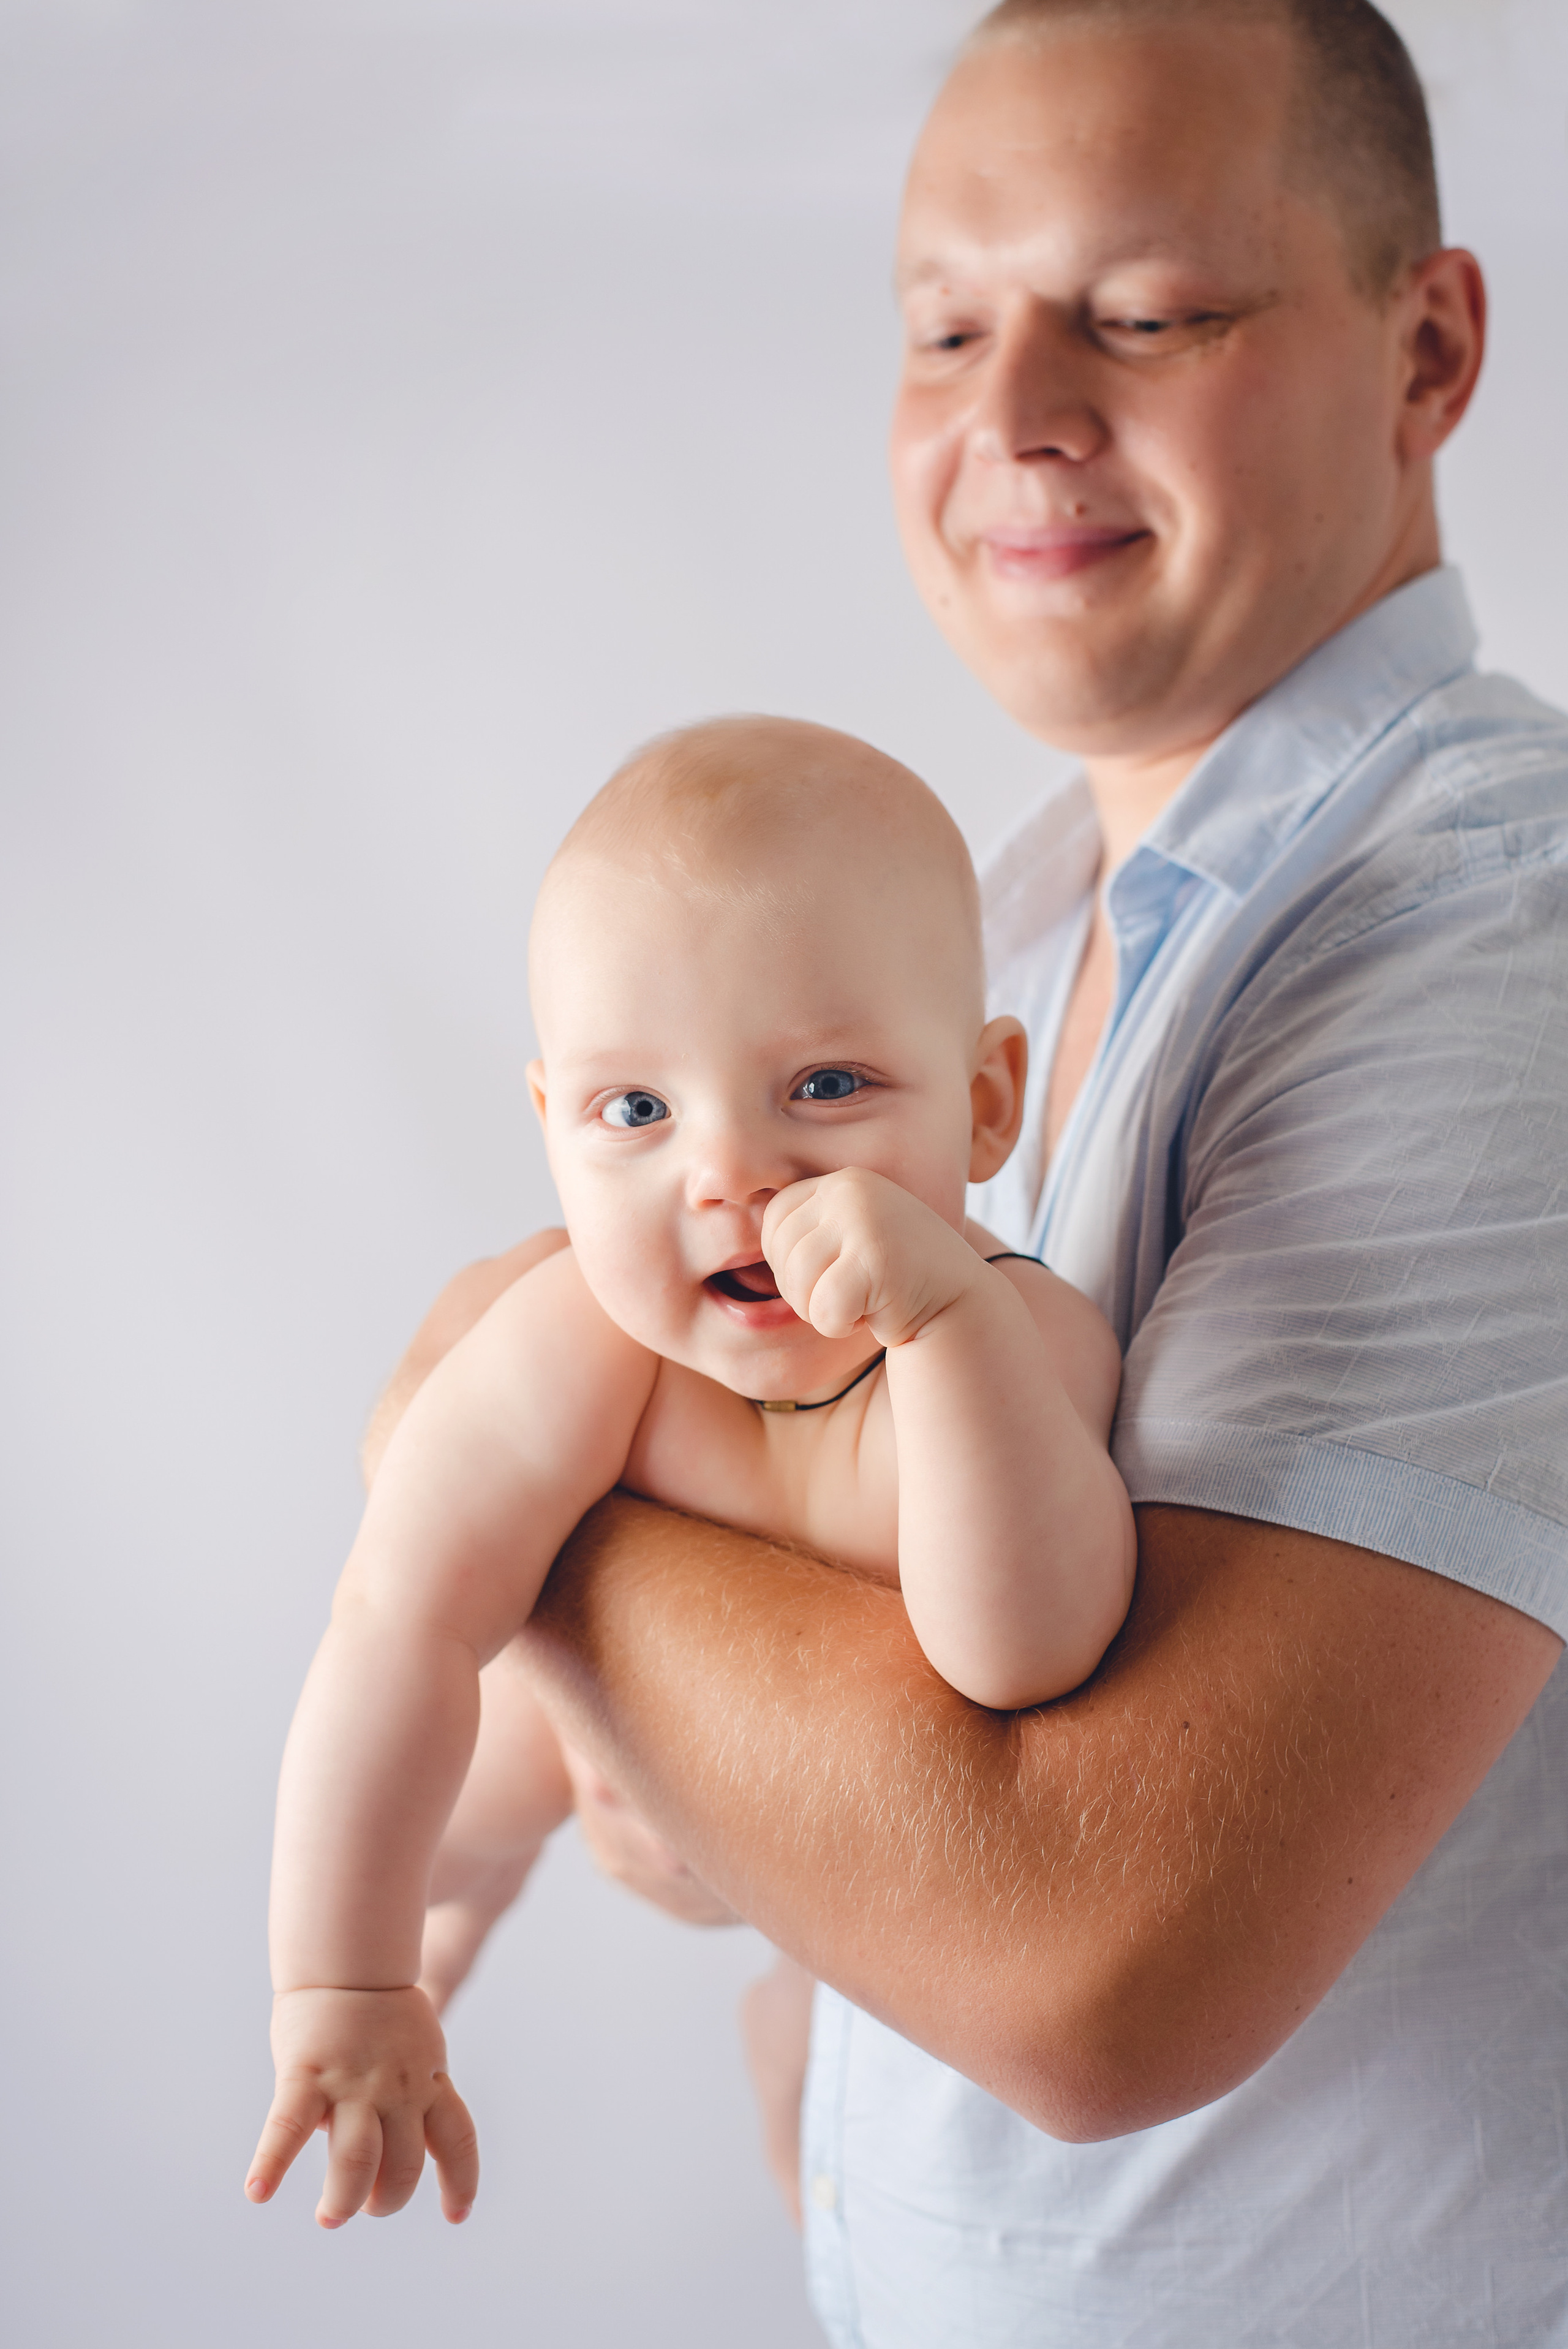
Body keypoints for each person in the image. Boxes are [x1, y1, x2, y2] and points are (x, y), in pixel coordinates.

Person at [364, 0, 1568, 2337]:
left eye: (1145, 313)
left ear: (1426, 350)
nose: (1016, 410)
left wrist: (492, 1454)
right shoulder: (998, 938)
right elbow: (828, 1799)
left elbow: (1101, 1957)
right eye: (944, 320)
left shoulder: (1481, 946)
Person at [244, 717, 1136, 2231]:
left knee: (825, 2082)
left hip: (862, 1850)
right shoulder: (588, 1340)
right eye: (637, 1112)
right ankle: (456, 1898)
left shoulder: (1016, 1342)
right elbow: (396, 1611)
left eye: (829, 1086)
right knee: (477, 1767)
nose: (729, 1173)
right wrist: (342, 1977)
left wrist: (941, 1326)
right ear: (552, 1130)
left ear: (987, 1103)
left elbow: (1021, 1650)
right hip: (581, 1739)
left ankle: (786, 2033)